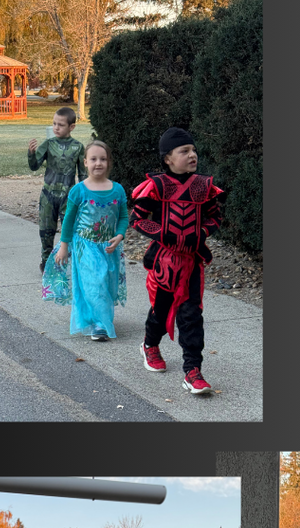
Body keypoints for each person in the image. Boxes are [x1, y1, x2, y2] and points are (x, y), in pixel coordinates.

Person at [130, 127, 225, 395]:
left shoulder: (204, 186)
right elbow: (138, 218)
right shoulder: (157, 186)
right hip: (163, 262)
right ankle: (150, 344)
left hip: (192, 263)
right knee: (160, 312)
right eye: (184, 151)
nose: (192, 154)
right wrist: (164, 234)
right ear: (168, 158)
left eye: (193, 150)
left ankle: (193, 371)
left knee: (191, 315)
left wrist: (201, 233)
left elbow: (215, 218)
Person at [42, 140, 128, 341]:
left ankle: (100, 317)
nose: (98, 163)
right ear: (85, 162)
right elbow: (69, 220)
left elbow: (123, 216)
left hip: (109, 247)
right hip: (85, 246)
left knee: (106, 283)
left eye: (103, 159)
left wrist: (120, 234)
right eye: (93, 159)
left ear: (109, 162)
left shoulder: (117, 190)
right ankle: (99, 325)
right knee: (93, 282)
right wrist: (64, 246)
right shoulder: (79, 190)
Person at [28, 106, 88, 272]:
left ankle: (69, 259)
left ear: (71, 127)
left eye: (61, 125)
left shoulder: (78, 147)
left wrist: (85, 197)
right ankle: (46, 262)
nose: (56, 127)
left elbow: (83, 175)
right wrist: (31, 153)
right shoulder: (48, 144)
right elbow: (34, 166)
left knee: (70, 229)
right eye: (54, 123)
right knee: (46, 230)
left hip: (68, 196)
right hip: (48, 194)